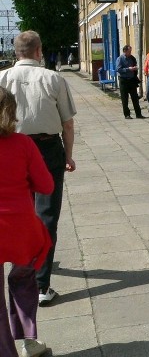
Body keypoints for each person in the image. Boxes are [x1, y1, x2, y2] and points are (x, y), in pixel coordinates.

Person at [0, 30, 77, 307]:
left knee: (17, 212)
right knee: (46, 215)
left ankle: (19, 270)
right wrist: (68, 155)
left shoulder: (2, 78)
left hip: (9, 149)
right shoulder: (53, 78)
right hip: (46, 149)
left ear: (16, 51)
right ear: (38, 51)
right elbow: (67, 123)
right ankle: (42, 285)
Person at [0, 87, 53, 357]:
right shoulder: (23, 144)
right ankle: (28, 342)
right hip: (20, 230)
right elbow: (46, 186)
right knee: (23, 280)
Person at [115, 45, 145, 120]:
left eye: (131, 51)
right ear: (125, 51)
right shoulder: (120, 59)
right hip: (123, 80)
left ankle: (138, 114)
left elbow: (135, 65)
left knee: (135, 98)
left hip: (132, 80)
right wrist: (128, 69)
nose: (130, 52)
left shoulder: (132, 58)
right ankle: (127, 114)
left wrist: (135, 69)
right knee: (124, 99)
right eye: (129, 51)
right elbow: (118, 69)